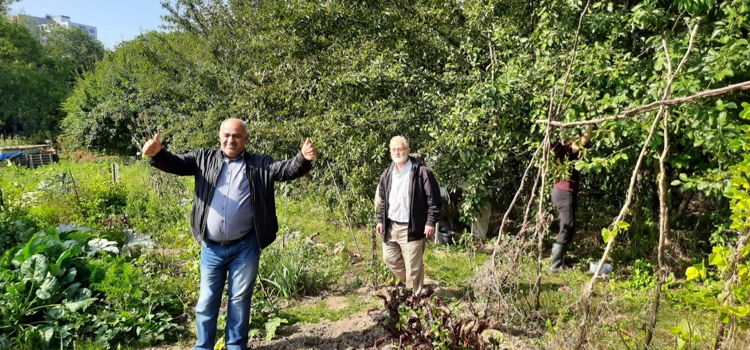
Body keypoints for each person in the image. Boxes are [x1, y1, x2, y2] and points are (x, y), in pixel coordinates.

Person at [141, 118, 317, 350]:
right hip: (211, 247)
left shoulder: (259, 164)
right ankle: (203, 346)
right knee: (206, 301)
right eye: (226, 135)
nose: (230, 140)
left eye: (236, 136)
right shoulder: (203, 159)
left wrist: (303, 159)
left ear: (246, 139)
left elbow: (284, 170)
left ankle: (236, 346)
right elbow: (175, 163)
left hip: (245, 246)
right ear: (219, 136)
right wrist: (157, 154)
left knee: (239, 301)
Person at [375, 136, 442, 295]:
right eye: (394, 150)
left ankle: (416, 297)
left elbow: (434, 199)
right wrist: (380, 220)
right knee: (389, 258)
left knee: (414, 265)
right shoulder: (388, 173)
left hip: (412, 226)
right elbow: (383, 200)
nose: (397, 153)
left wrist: (430, 222)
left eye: (401, 149)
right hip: (391, 225)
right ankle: (410, 283)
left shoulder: (422, 172)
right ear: (390, 152)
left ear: (408, 151)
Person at [549, 125, 592, 272]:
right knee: (567, 225)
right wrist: (589, 124)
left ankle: (560, 262)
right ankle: (555, 265)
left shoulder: (561, 148)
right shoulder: (563, 149)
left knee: (569, 226)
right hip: (564, 192)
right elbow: (583, 141)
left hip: (563, 191)